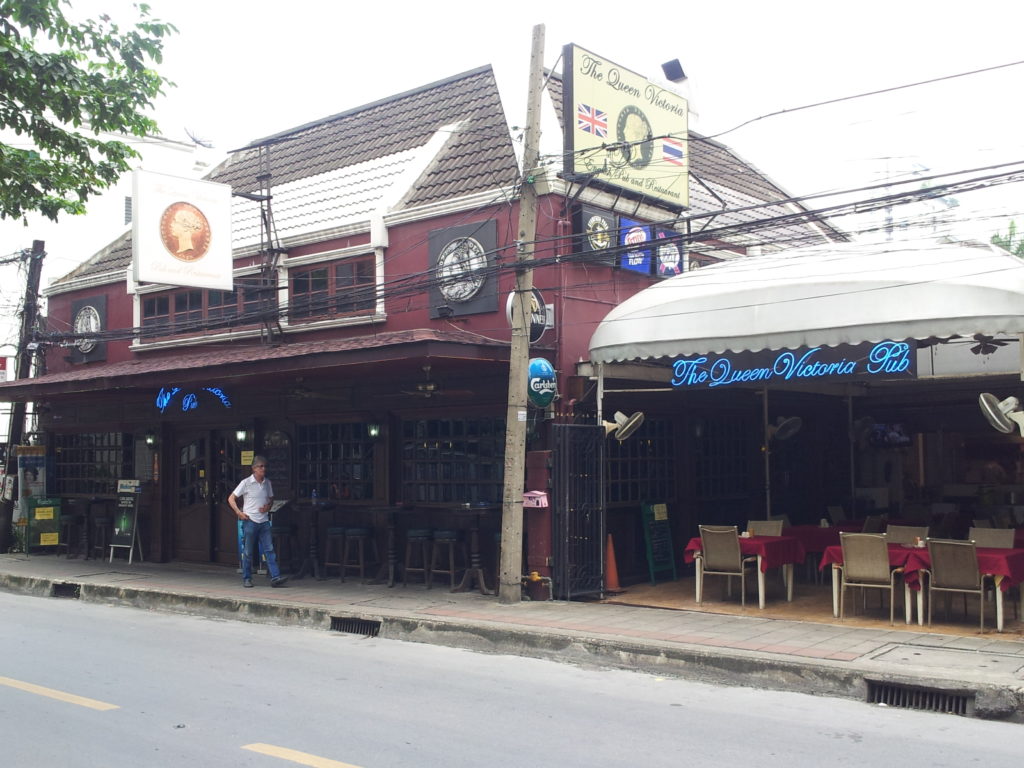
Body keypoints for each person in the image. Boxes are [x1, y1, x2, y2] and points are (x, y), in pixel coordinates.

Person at [228, 456, 287, 588]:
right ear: (254, 468)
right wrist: (239, 512)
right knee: (248, 551)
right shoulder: (246, 482)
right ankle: (247, 578)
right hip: (250, 520)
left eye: (264, 466)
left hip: (264, 521)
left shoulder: (267, 483)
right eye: (260, 466)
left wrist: (268, 506)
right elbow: (231, 498)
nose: (263, 469)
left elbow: (271, 498)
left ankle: (275, 577)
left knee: (269, 550)